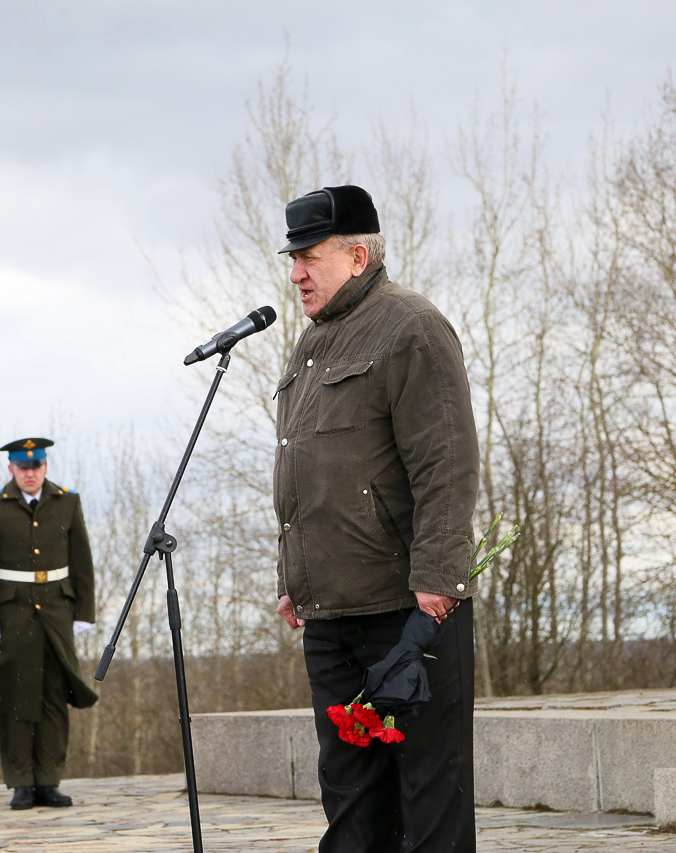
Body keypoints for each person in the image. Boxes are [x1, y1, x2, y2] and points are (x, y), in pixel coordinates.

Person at [273, 185, 481, 851]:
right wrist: (292, 578)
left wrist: (439, 583)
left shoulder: (411, 327)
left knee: (429, 804)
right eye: (293, 259)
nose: (296, 273)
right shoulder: (310, 345)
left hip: (407, 610)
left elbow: (447, 464)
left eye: (309, 257)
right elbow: (306, 471)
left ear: (358, 256)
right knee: (352, 804)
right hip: (330, 615)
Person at [0, 437, 96, 810]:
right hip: (12, 614)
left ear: (45, 466)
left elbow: (81, 560)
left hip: (57, 610)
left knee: (54, 696)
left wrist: (84, 612)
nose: (30, 474)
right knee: (18, 698)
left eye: (36, 466)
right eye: (23, 468)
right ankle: (21, 781)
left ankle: (49, 780)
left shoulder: (67, 502)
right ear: (11, 469)